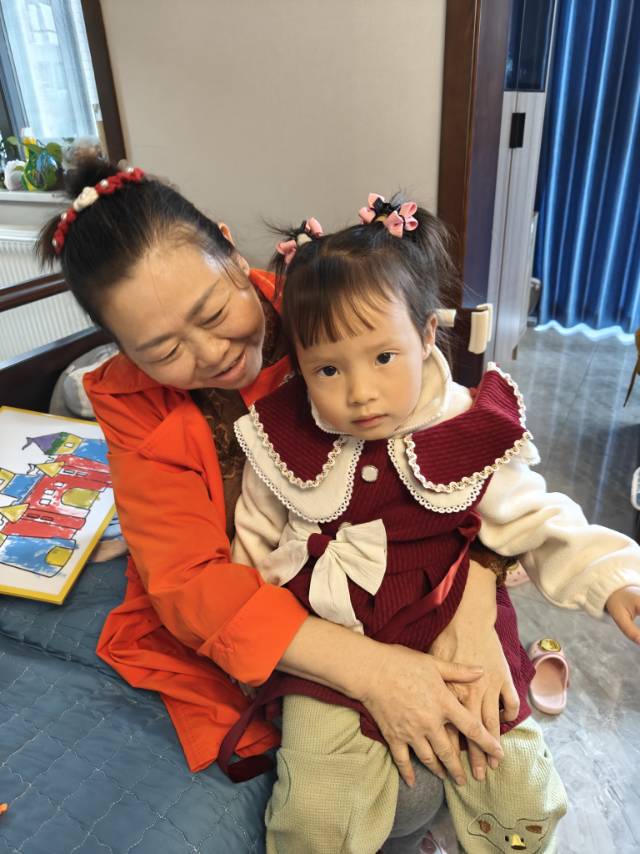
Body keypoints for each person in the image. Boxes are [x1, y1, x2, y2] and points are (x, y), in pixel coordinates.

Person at [36, 160, 518, 851]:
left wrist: (475, 601)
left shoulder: (325, 305)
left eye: (213, 314)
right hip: (286, 597)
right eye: (163, 350)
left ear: (233, 254)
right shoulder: (131, 403)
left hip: (415, 564)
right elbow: (189, 582)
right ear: (124, 350)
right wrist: (376, 672)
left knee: (480, 748)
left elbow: (470, 451)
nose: (210, 353)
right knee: (400, 794)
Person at [223, 195, 640, 853]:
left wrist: (616, 580)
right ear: (299, 365)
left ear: (423, 335)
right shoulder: (280, 439)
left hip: (456, 637)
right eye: (328, 369)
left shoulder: (467, 426)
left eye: (383, 357)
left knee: (519, 796)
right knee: (316, 813)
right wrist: (253, 656)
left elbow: (540, 520)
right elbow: (251, 549)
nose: (360, 392)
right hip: (334, 653)